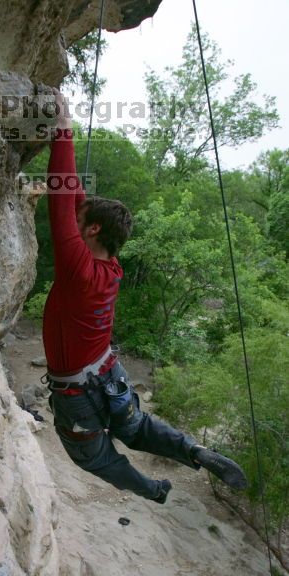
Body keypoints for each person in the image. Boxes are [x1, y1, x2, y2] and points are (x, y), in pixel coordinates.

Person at [42, 89, 247, 504]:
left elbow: (62, 195)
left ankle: (150, 488)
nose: (75, 218)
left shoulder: (78, 270)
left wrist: (63, 127)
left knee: (94, 456)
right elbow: (75, 198)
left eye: (82, 220)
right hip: (108, 374)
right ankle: (193, 450)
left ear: (94, 231)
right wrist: (69, 152)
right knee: (136, 428)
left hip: (80, 392)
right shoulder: (110, 269)